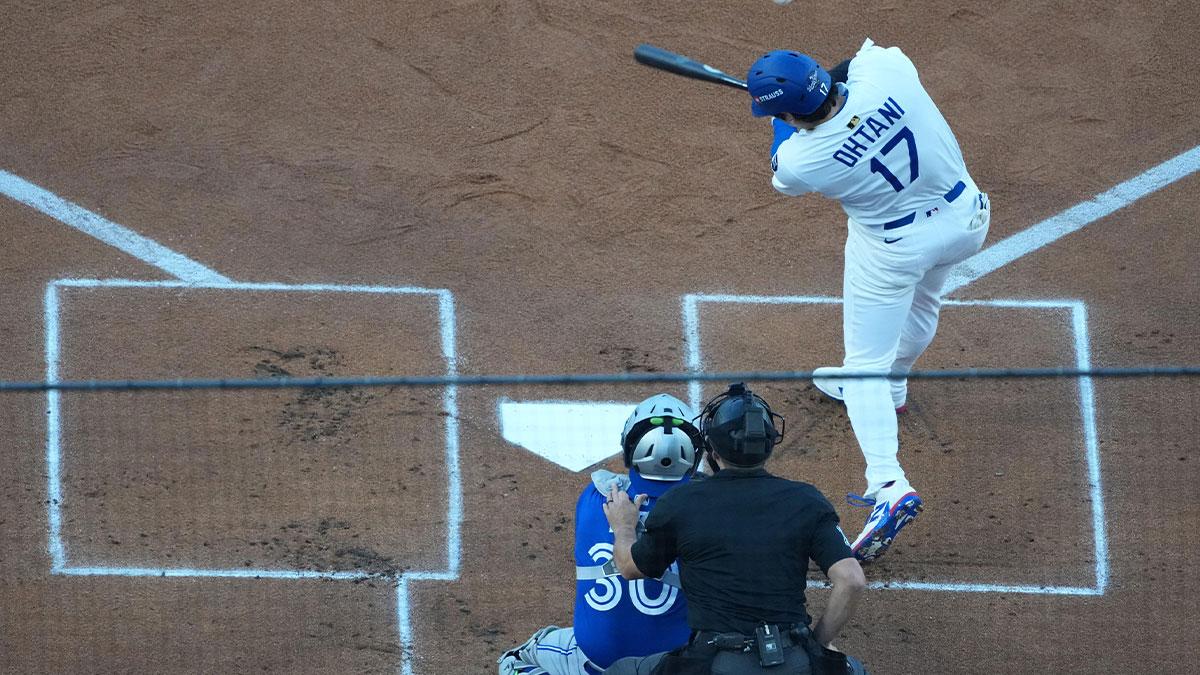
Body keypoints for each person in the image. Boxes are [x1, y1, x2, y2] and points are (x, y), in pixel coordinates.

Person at [744, 39, 992, 561]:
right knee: (926, 303)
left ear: (788, 112)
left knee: (862, 368)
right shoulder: (887, 72)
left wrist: (782, 118)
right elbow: (851, 67)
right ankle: (896, 382)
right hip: (966, 220)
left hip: (894, 248)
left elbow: (782, 162)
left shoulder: (802, 158)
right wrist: (806, 96)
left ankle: (887, 483)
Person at [602, 383, 868, 675]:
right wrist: (816, 645)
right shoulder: (807, 501)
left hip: (715, 663)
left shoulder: (681, 503)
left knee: (622, 669)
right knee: (853, 669)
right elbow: (852, 580)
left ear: (711, 450)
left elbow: (629, 567)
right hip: (794, 659)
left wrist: (624, 527)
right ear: (768, 445)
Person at [498, 394, 707, 675]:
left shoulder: (594, 499)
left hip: (596, 664)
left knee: (515, 660)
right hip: (673, 667)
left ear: (631, 449)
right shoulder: (708, 513)